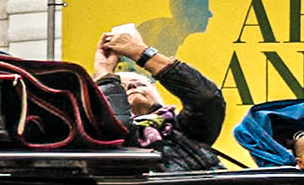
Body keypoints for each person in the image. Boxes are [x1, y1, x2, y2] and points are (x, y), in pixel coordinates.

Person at [91, 28, 225, 171]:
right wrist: (104, 71)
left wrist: (141, 53)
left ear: (157, 97)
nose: (131, 86)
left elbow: (206, 99)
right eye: (120, 88)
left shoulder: (183, 129)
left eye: (140, 84)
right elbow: (118, 130)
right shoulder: (96, 138)